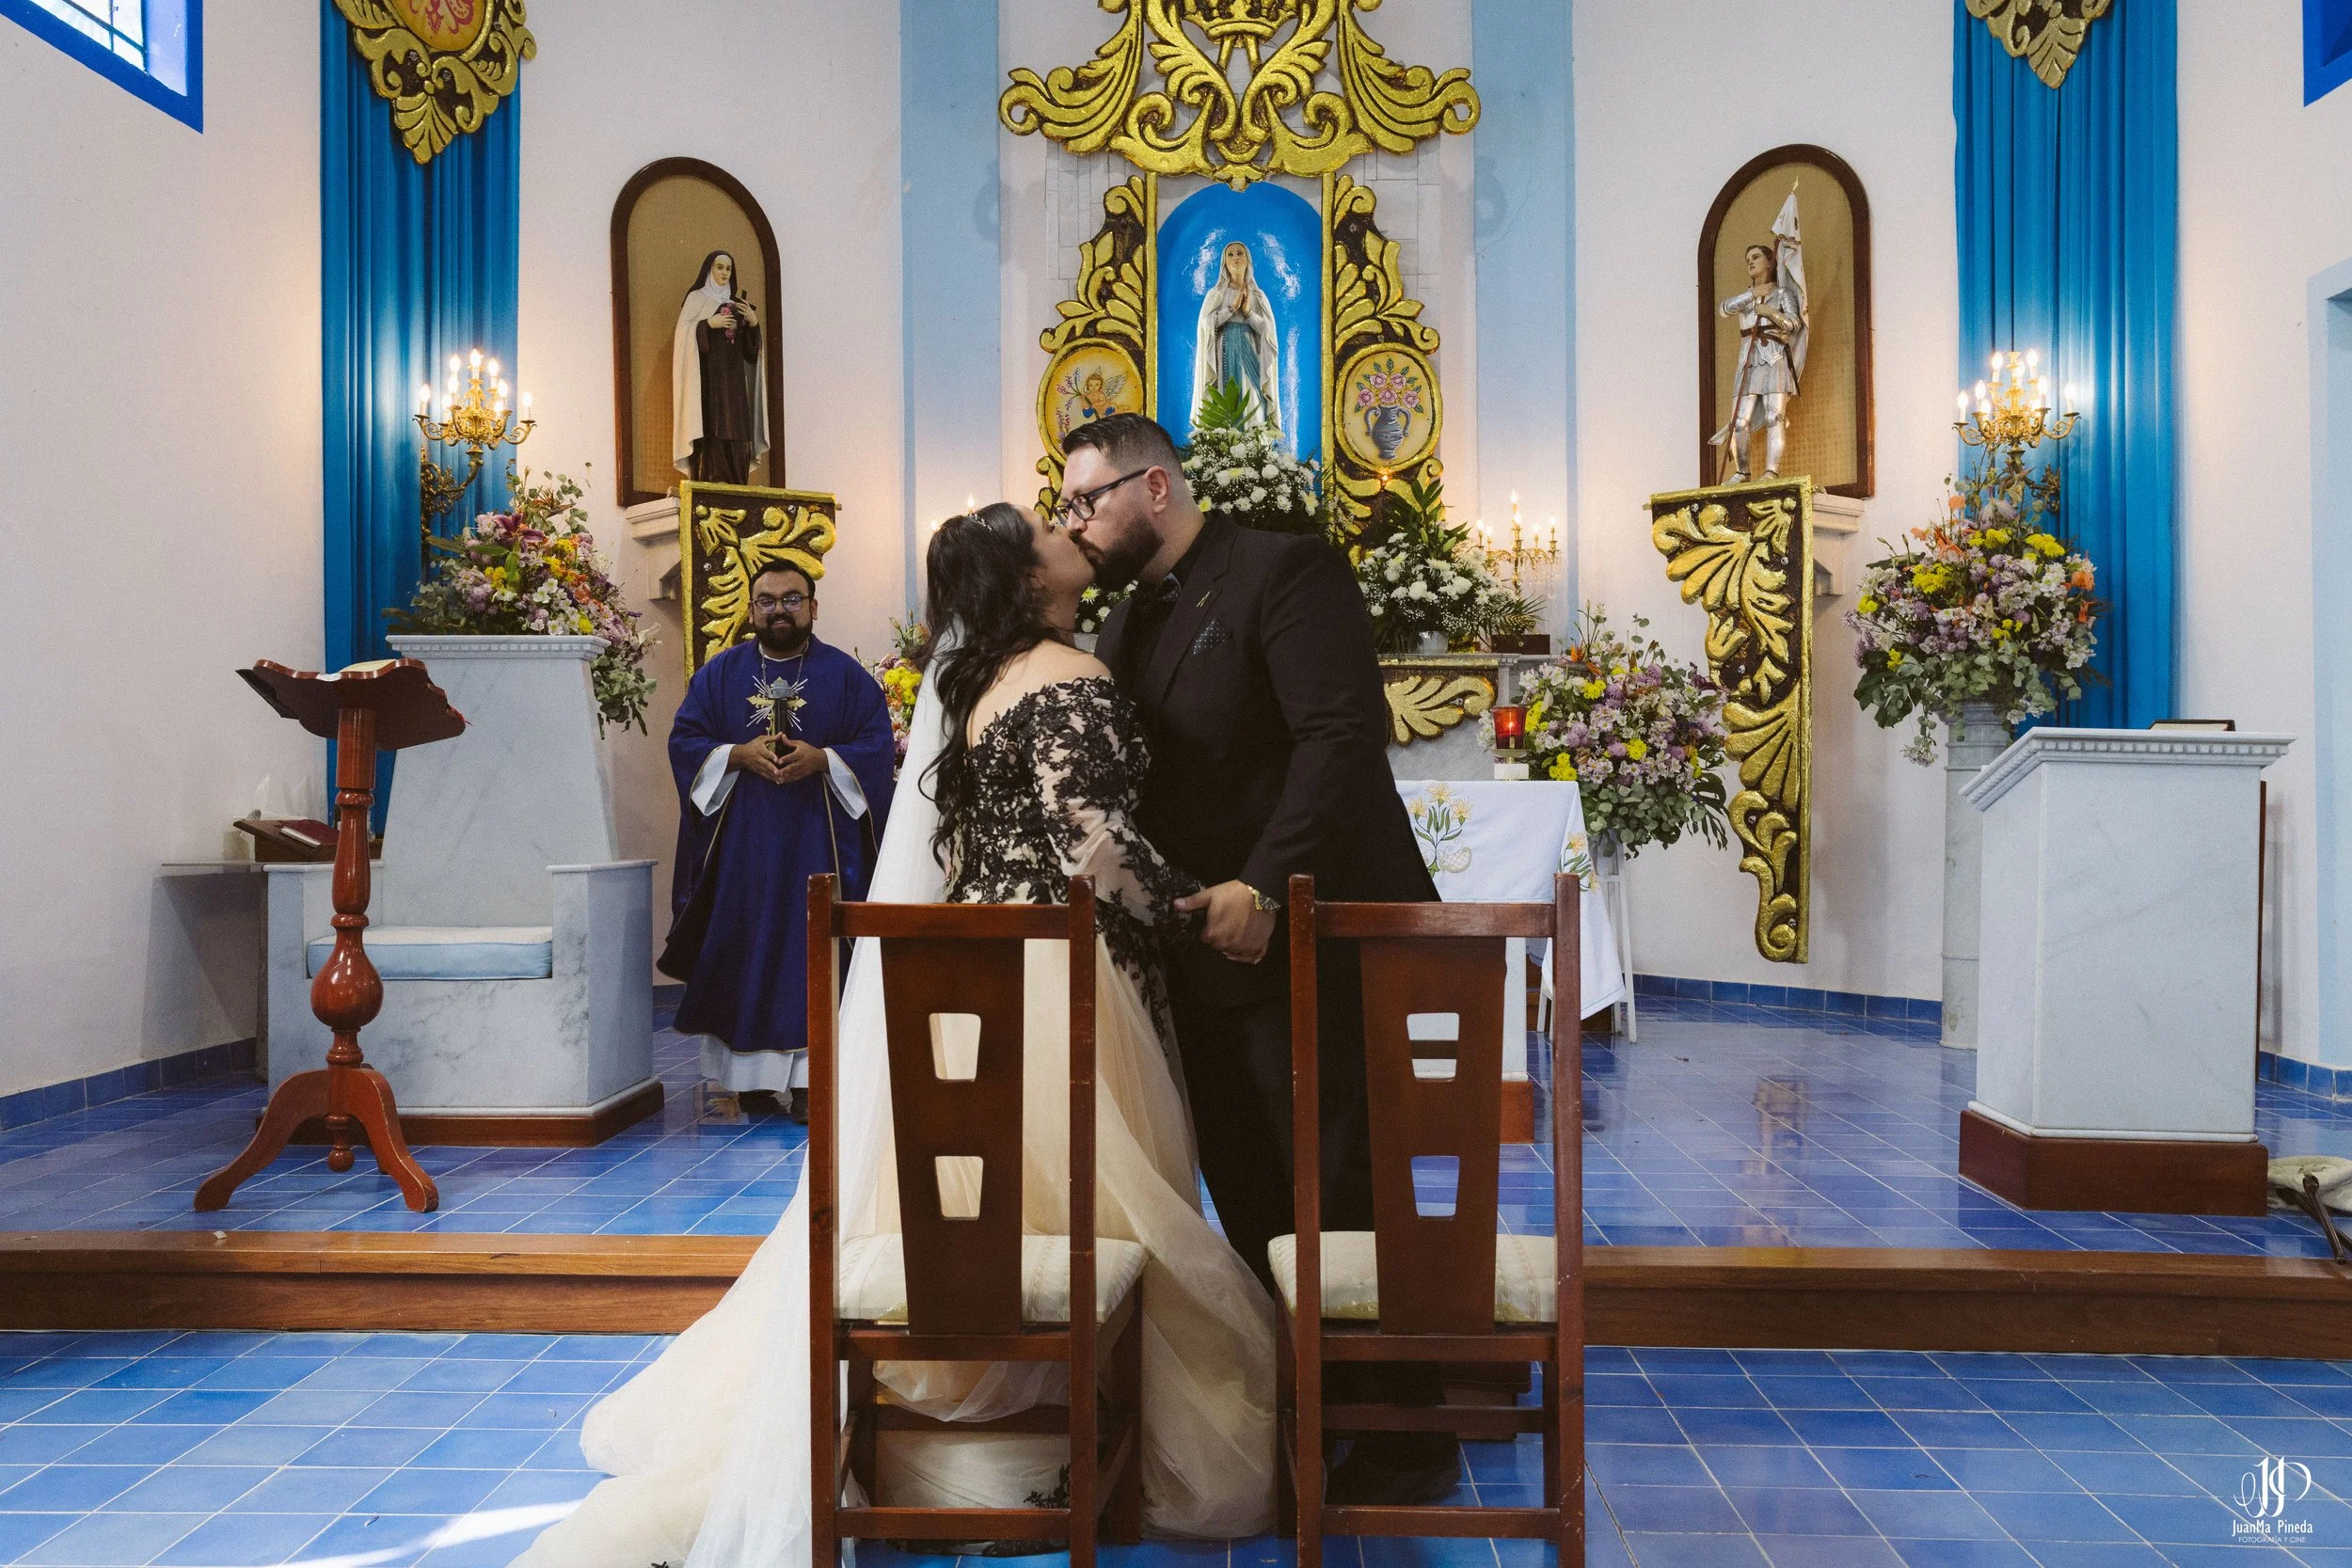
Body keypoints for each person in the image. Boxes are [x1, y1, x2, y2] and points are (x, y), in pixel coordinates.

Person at [514, 505, 1274, 1567]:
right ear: (1023, 577)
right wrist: (1194, 908)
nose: (1075, 535)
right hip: (1066, 961)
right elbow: (1091, 837)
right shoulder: (1066, 671)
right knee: (1092, 1178)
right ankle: (1069, 1402)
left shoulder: (973, 682)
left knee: (988, 1182)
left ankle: (976, 1381)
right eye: (1049, 532)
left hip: (974, 961)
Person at [1062, 411, 1459, 1507]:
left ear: (1153, 487)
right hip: (1205, 944)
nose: (1075, 522)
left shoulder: (1284, 569)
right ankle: (1305, 1391)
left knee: (1338, 1176)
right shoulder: (1127, 620)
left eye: (1085, 499)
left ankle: (1406, 1425)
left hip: (1312, 929)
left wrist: (1268, 885)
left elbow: (1338, 735)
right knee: (1248, 1180)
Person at [665, 562, 897, 1115]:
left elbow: (878, 745)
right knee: (744, 948)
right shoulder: (719, 676)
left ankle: (815, 1081)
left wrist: (825, 759)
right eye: (767, 601)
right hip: (742, 850)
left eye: (793, 599)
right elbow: (685, 740)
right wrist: (735, 754)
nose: (779, 610)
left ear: (814, 607)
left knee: (809, 951)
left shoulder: (847, 677)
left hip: (820, 847)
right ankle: (748, 1081)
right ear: (751, 609)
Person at [1709, 186, 1808, 483]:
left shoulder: (1782, 294)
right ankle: (1742, 471)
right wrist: (1754, 295)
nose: (1751, 262)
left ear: (1769, 261)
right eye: (1747, 260)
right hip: (1749, 360)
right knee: (1739, 420)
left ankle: (1771, 471)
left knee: (1774, 417)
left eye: (1756, 257)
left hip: (1774, 358)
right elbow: (1725, 308)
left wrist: (1772, 314)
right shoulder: (1748, 297)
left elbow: (1794, 324)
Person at [672, 249, 768, 484]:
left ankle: (736, 480)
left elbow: (750, 353)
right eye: (720, 267)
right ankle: (711, 478)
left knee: (735, 427)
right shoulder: (697, 298)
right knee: (712, 425)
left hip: (734, 380)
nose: (724, 273)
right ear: (709, 269)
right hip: (707, 379)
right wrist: (707, 324)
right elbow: (683, 334)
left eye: (728, 269)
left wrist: (753, 324)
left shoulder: (737, 304)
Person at [1190, 240, 1282, 433]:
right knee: (1226, 398)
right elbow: (1206, 326)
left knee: (1253, 397)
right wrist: (1231, 308)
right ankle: (1227, 443)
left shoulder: (1258, 296)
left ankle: (1254, 444)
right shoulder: (1216, 294)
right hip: (1223, 352)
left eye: (1240, 253)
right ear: (1224, 263)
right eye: (1230, 254)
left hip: (1249, 349)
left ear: (1248, 260)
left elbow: (1267, 331)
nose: (1235, 258)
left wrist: (1248, 313)